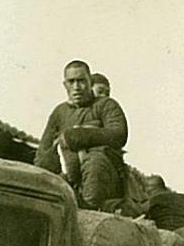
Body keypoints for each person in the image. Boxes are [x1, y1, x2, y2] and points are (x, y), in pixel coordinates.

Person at [35, 60, 128, 210]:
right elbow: (42, 153)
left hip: (102, 177)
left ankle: (89, 210)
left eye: (81, 81)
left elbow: (119, 134)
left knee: (96, 161)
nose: (76, 87)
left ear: (90, 81)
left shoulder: (106, 105)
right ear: (65, 85)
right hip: (69, 175)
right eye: (71, 82)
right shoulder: (59, 112)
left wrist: (78, 135)